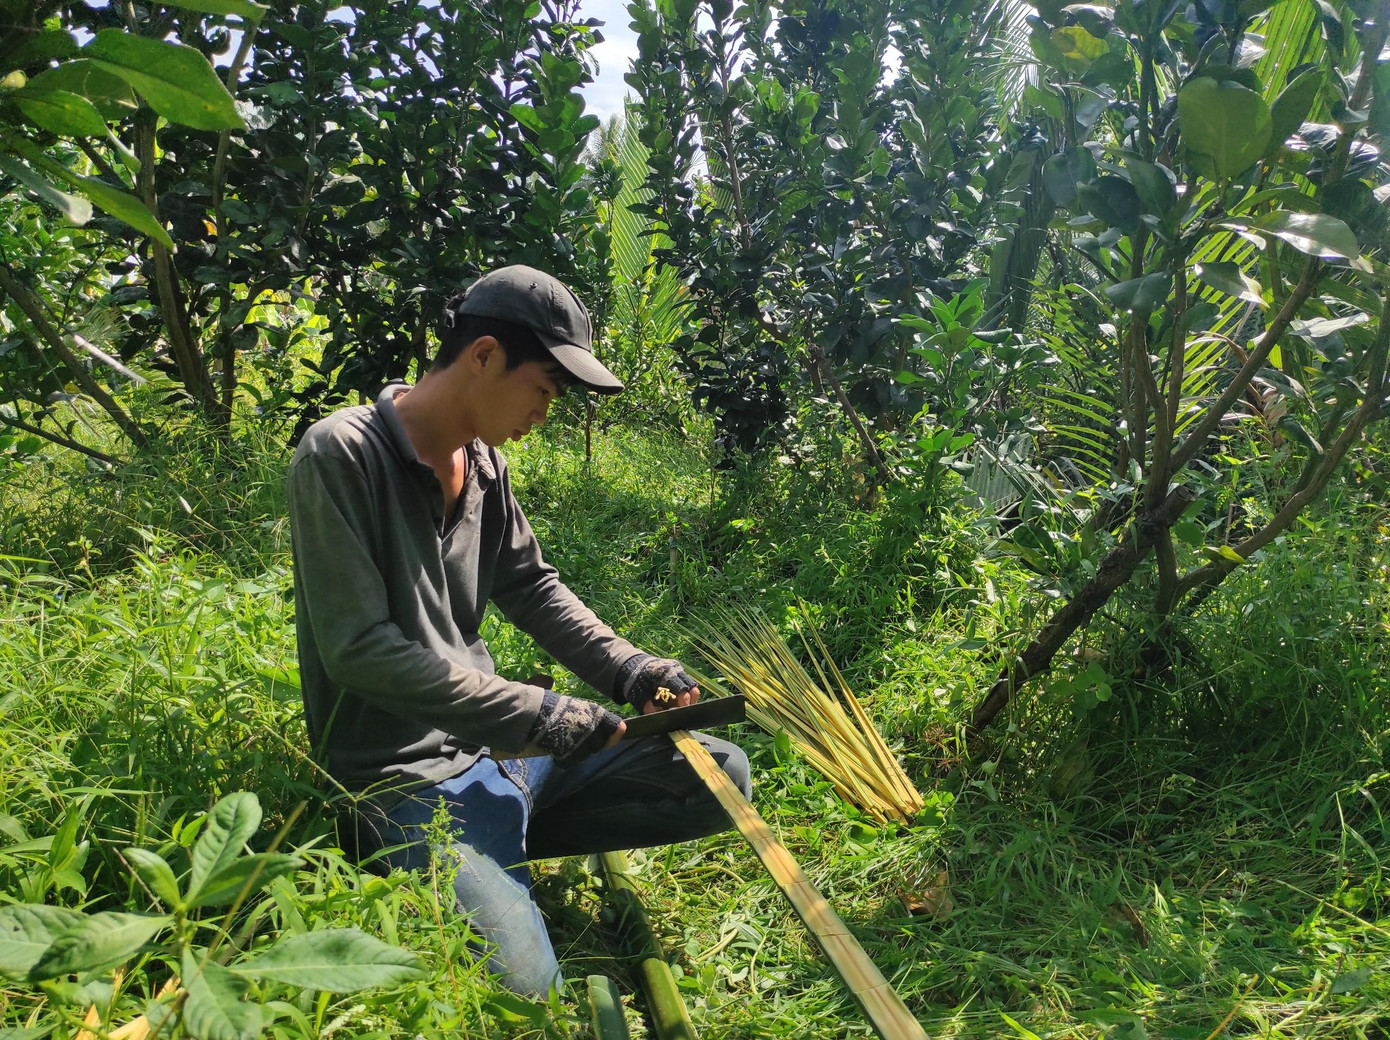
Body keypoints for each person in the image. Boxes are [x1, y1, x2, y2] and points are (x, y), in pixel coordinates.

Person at [286, 265, 750, 998]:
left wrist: (632, 671)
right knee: (525, 991)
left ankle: (497, 848)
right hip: (406, 777)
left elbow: (533, 588)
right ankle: (460, 859)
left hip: (505, 756)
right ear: (483, 356)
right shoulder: (341, 454)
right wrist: (539, 714)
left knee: (720, 775)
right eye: (543, 389)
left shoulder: (485, 466)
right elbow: (358, 650)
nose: (545, 413)